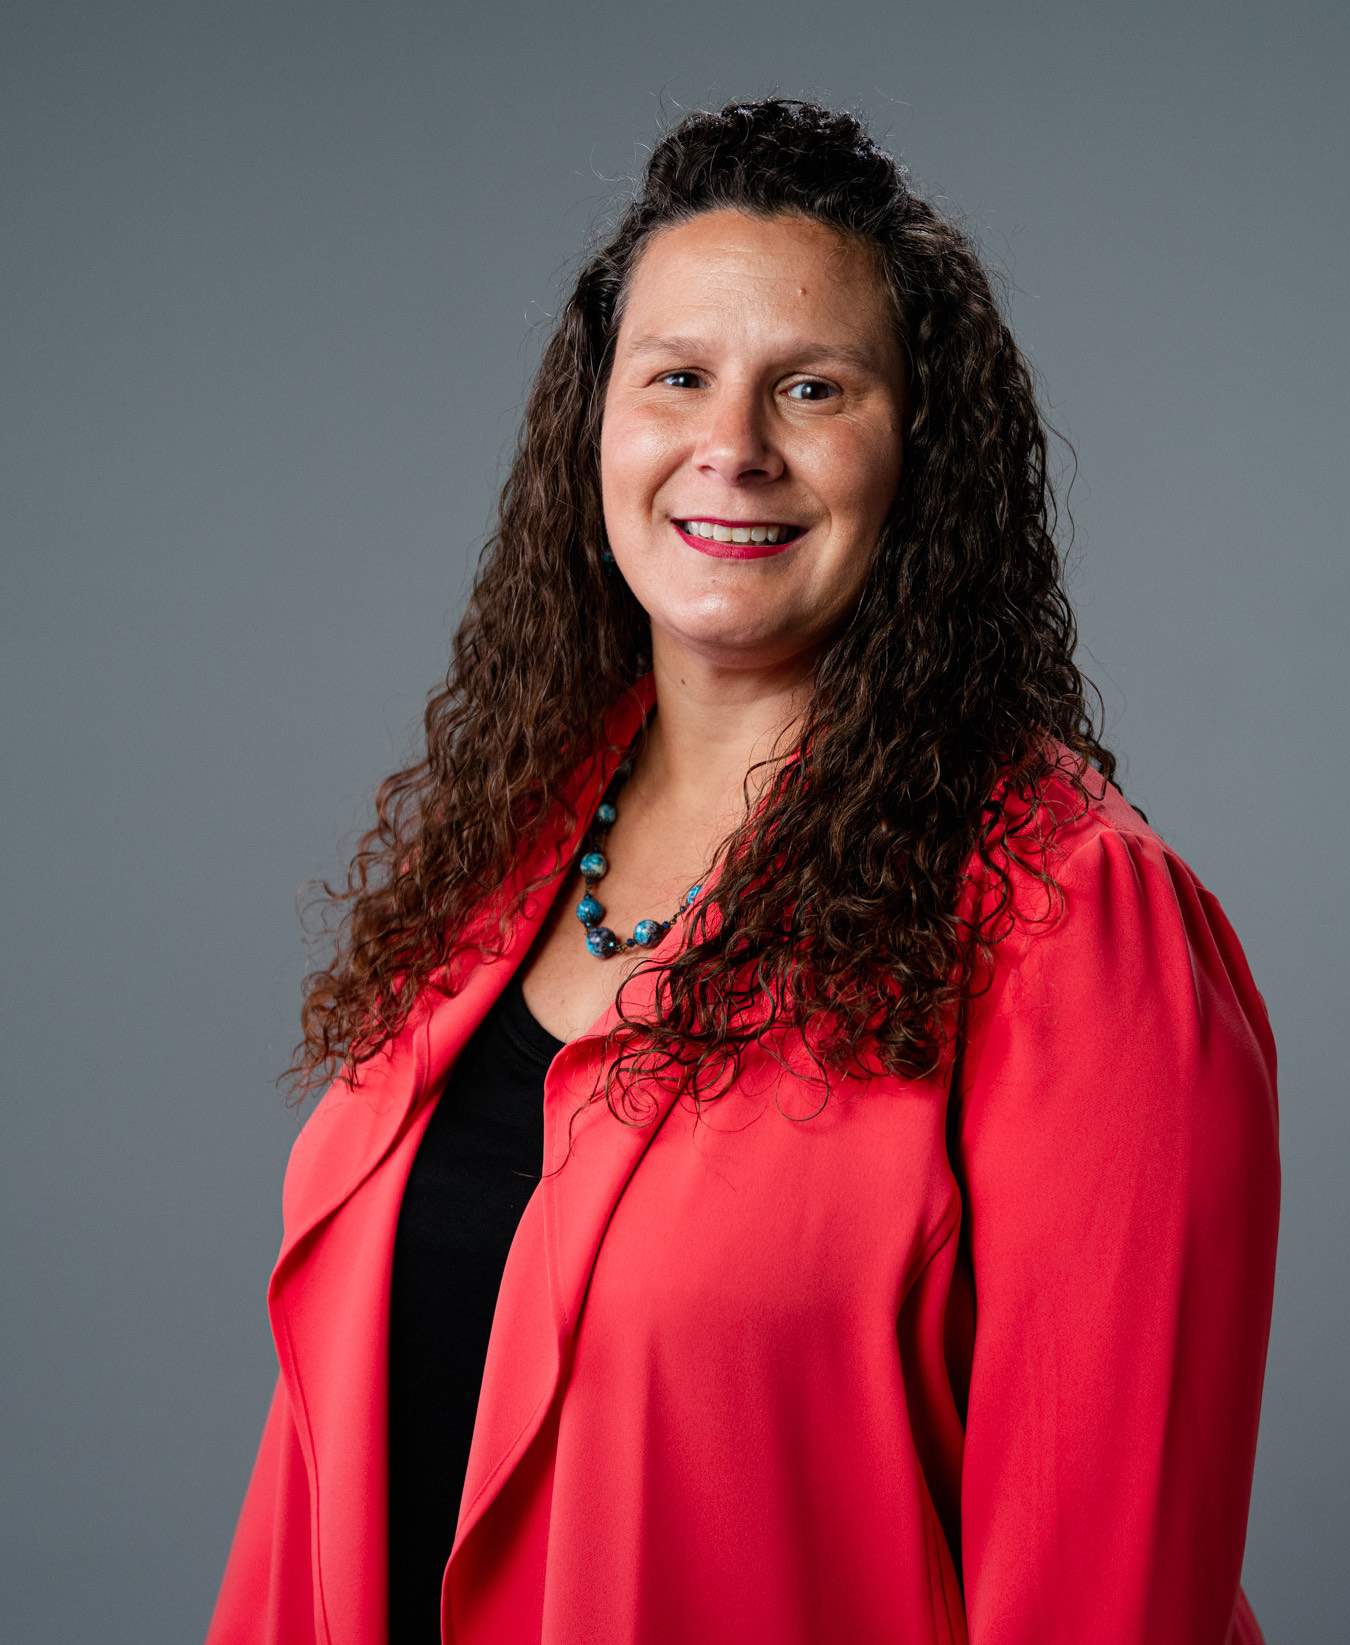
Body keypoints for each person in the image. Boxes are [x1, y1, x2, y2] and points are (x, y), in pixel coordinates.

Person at [206, 100, 1279, 1645]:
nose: (732, 445)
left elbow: (1107, 1592)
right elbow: (320, 1469)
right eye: (677, 378)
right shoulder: (506, 855)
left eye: (813, 386)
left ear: (918, 454)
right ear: (597, 427)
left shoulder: (1065, 917)